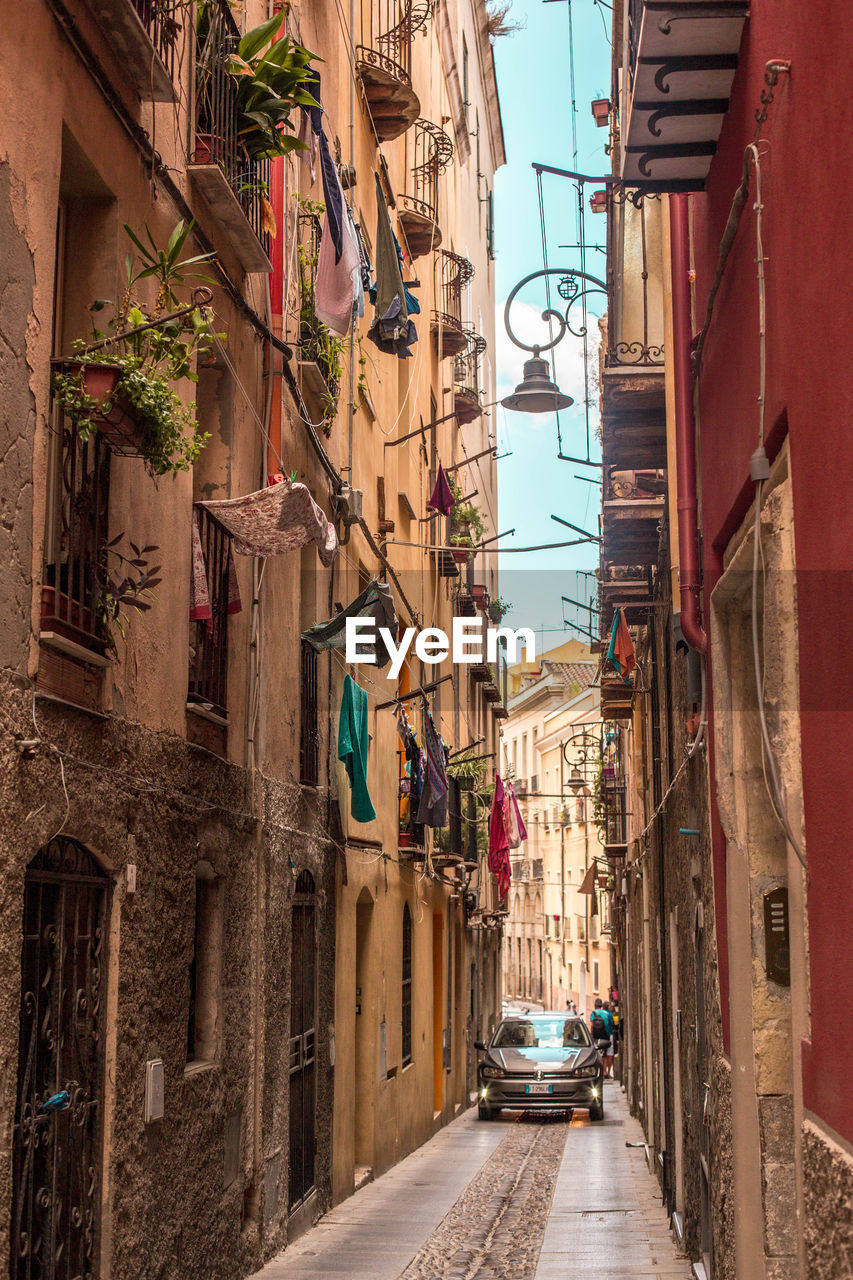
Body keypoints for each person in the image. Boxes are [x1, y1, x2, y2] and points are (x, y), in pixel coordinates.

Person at [589, 998, 615, 1076]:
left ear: (595, 1005)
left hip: (596, 1037)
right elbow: (611, 1024)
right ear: (601, 1006)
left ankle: (597, 1071)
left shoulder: (593, 1013)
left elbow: (592, 1025)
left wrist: (592, 1035)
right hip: (606, 1035)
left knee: (596, 1053)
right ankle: (605, 1071)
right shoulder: (606, 1013)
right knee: (606, 1054)